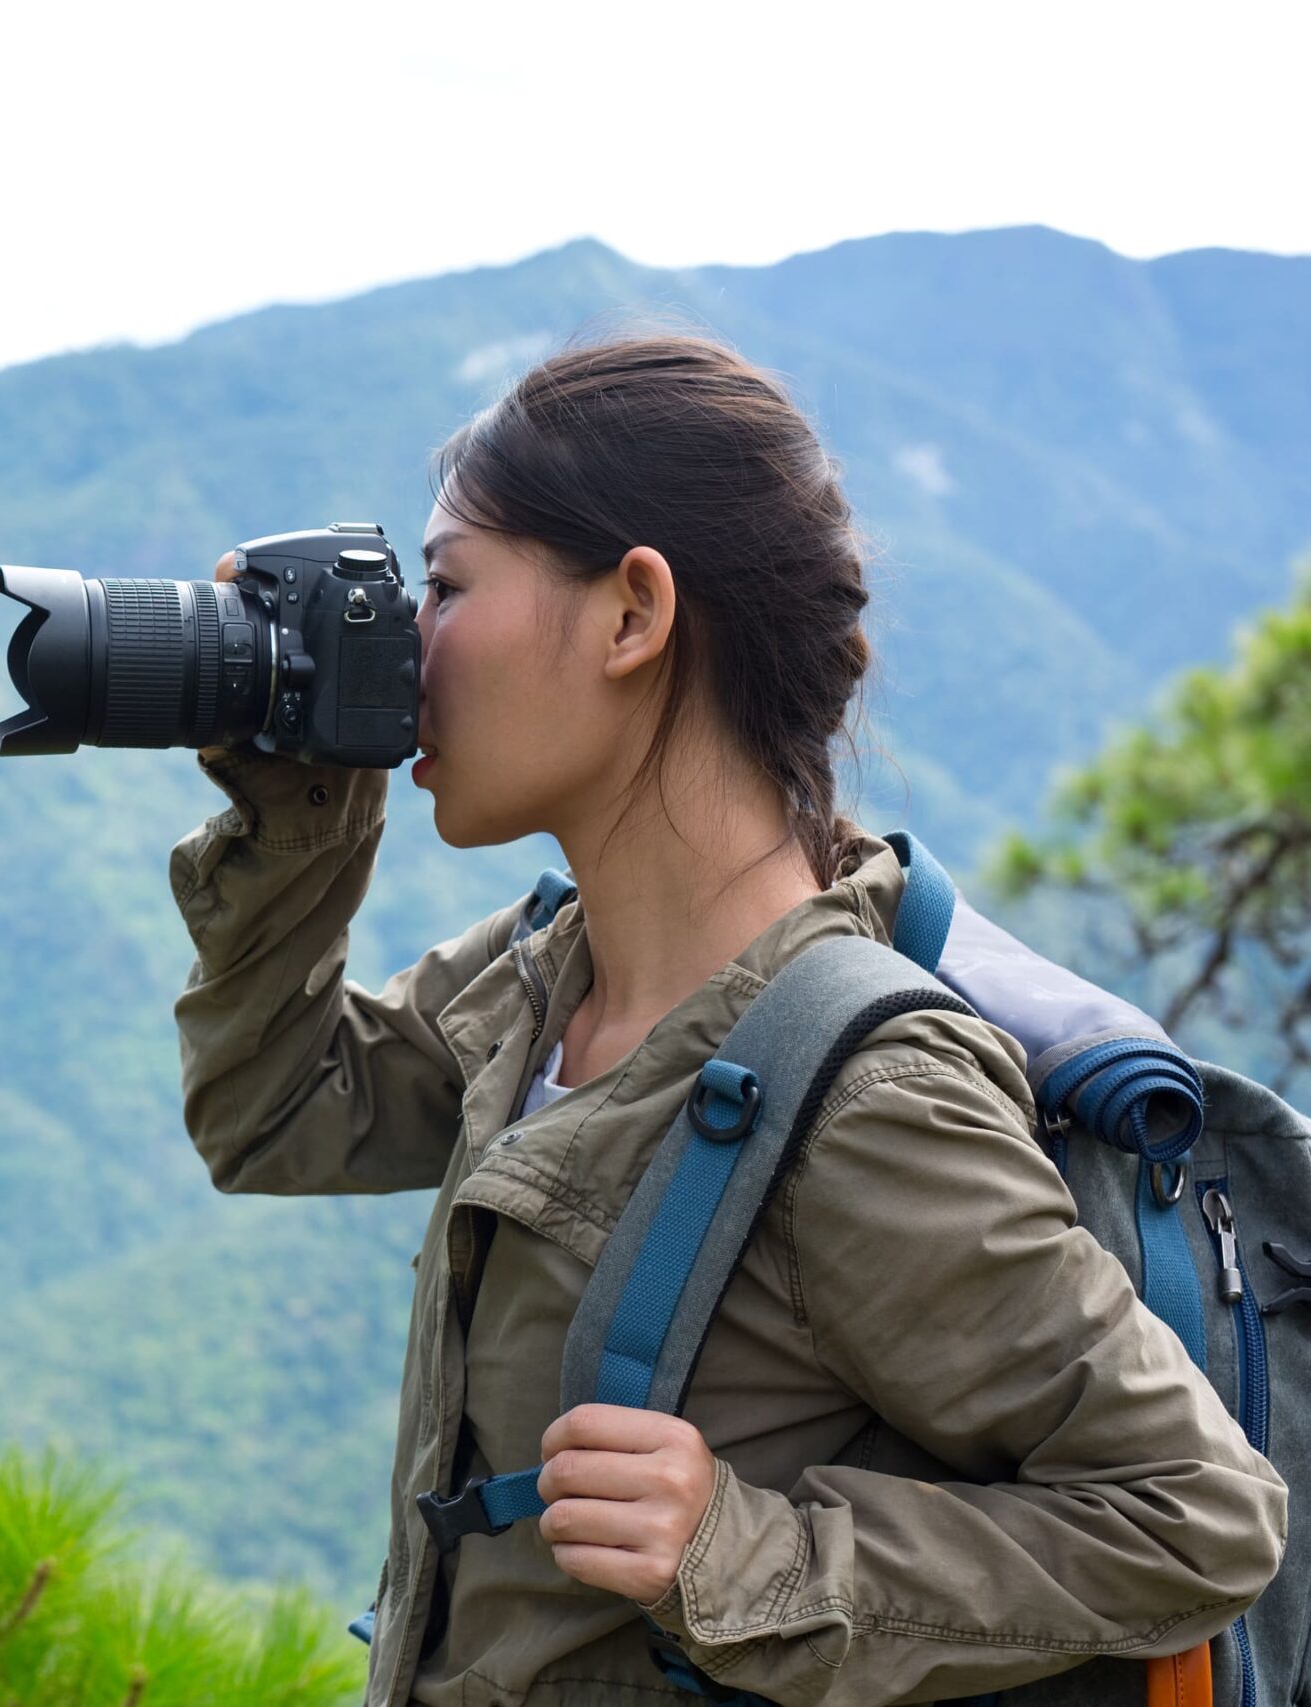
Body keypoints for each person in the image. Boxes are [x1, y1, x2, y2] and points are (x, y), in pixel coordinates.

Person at [169, 331, 1286, 1705]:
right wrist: (301, 796)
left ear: (634, 615)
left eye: (448, 585)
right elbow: (278, 1113)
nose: (412, 643)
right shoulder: (545, 973)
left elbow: (1196, 1514)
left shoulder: (862, 1092)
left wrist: (736, 1547)